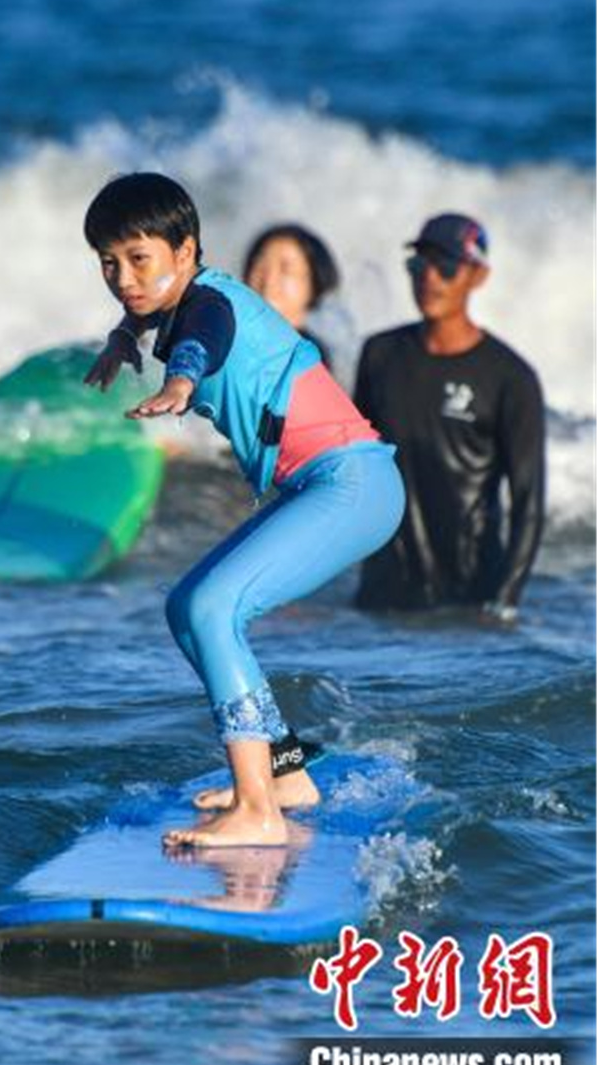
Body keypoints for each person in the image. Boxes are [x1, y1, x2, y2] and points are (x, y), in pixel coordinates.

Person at [83, 172, 405, 848]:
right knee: (187, 607)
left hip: (351, 484)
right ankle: (283, 770)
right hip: (318, 487)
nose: (123, 278)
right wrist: (121, 338)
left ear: (187, 249)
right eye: (109, 263)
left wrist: (178, 382)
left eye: (138, 259)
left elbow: (203, 340)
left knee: (211, 610)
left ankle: (257, 810)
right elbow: (147, 314)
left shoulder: (210, 305)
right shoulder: (166, 301)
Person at [354, 213, 545, 620]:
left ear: (478, 275)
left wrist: (504, 602)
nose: (430, 280)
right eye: (419, 266)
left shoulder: (510, 377)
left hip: (467, 600)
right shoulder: (379, 356)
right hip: (382, 598)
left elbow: (528, 501)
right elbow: (350, 470)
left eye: (446, 267)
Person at [242, 224, 340, 368]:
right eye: (260, 267)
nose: (269, 280)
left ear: (314, 284)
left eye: (286, 269)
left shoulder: (309, 359)